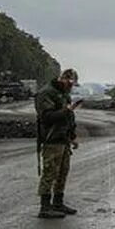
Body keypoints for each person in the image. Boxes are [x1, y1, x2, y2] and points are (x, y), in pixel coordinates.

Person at [33, 68, 81, 219]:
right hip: (51, 138)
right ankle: (45, 207)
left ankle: (58, 202)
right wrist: (66, 111)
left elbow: (69, 117)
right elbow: (46, 117)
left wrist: (72, 136)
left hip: (63, 138)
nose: (71, 87)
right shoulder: (46, 93)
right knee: (50, 172)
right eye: (70, 83)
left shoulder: (64, 93)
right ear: (64, 79)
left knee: (62, 172)